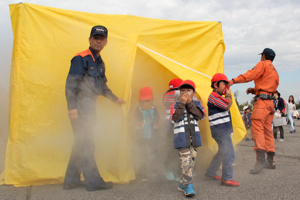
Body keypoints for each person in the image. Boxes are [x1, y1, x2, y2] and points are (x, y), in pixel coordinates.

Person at [64, 25, 126, 191]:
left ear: (105, 42)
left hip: (90, 105)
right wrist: (73, 107)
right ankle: (93, 181)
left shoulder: (99, 63)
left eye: (102, 38)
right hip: (80, 106)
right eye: (95, 38)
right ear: (90, 39)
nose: (98, 41)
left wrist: (115, 100)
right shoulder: (80, 58)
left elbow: (102, 86)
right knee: (86, 143)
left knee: (80, 142)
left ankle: (71, 180)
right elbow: (71, 85)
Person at [230, 48, 279, 173]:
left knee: (257, 128)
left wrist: (233, 81)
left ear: (263, 56)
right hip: (270, 104)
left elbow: (250, 75)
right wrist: (254, 90)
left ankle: (260, 160)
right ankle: (271, 160)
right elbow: (269, 88)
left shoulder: (262, 64)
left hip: (262, 103)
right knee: (268, 131)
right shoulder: (275, 71)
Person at [170, 80, 206, 197]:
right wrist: (182, 104)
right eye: (183, 91)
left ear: (194, 93)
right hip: (181, 138)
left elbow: (200, 116)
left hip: (194, 138)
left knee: (191, 163)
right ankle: (189, 185)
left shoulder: (198, 104)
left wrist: (189, 104)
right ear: (179, 93)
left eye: (188, 91)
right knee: (186, 163)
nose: (185, 93)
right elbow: (174, 118)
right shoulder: (175, 105)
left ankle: (182, 183)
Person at [205, 73, 240, 187]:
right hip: (220, 131)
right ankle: (227, 178)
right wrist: (229, 96)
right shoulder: (214, 96)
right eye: (224, 83)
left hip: (221, 130)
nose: (226, 86)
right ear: (216, 85)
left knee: (222, 152)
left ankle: (210, 172)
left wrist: (227, 90)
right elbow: (227, 105)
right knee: (229, 153)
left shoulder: (217, 96)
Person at [135, 87, 160, 181]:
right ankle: (143, 173)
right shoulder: (138, 109)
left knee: (154, 152)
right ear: (140, 101)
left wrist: (150, 112)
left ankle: (153, 171)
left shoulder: (154, 109)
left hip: (153, 135)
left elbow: (157, 119)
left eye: (149, 101)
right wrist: (139, 122)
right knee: (143, 153)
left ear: (152, 100)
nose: (147, 103)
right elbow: (136, 119)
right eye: (144, 101)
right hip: (141, 136)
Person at [163, 79, 182, 181]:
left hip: (167, 126)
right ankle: (171, 171)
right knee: (176, 150)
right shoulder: (176, 94)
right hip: (174, 125)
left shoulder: (166, 95)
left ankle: (170, 171)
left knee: (171, 149)